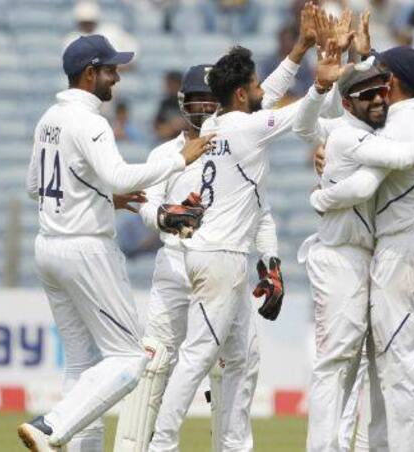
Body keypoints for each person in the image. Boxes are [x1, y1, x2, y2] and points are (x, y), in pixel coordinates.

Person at [147, 4, 340, 450]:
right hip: (221, 259)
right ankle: (161, 444)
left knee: (242, 357)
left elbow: (266, 96)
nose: (259, 89)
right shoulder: (249, 130)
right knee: (197, 357)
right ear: (239, 94)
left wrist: (299, 50)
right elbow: (297, 115)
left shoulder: (217, 124)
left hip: (212, 254)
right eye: (253, 84)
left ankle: (234, 446)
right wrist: (324, 82)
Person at [17, 34, 213, 452]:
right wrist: (180, 158)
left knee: (82, 363)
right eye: (110, 70)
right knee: (129, 358)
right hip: (85, 249)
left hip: (48, 246)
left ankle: (70, 440)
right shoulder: (90, 122)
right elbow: (119, 176)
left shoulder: (49, 118)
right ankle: (51, 426)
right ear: (90, 73)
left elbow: (36, 186)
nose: (116, 79)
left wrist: (103, 198)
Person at [311, 45, 414, 452]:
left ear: (393, 82)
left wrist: (325, 187)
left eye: (382, 75)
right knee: (385, 363)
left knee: (394, 368)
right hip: (410, 251)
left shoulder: (393, 132)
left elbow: (362, 180)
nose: (377, 82)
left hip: (399, 254)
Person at [114, 62, 286, 451]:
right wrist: (163, 217)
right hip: (176, 265)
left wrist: (270, 258)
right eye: (196, 99)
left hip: (224, 262)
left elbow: (260, 212)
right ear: (183, 103)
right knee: (157, 360)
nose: (205, 106)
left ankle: (231, 446)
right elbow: (147, 203)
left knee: (239, 360)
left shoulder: (237, 143)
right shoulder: (167, 153)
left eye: (210, 99)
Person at [258, 25, 315, 101]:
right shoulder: (269, 62)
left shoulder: (304, 63)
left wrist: (294, 86)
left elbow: (309, 85)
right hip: (274, 101)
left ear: (294, 41)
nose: (283, 43)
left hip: (297, 100)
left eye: (286, 40)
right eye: (281, 39)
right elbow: (262, 83)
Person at [154, 71, 186, 142]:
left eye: (170, 84)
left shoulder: (189, 101)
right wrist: (170, 127)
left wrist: (180, 124)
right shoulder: (165, 103)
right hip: (168, 139)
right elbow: (157, 126)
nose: (167, 87)